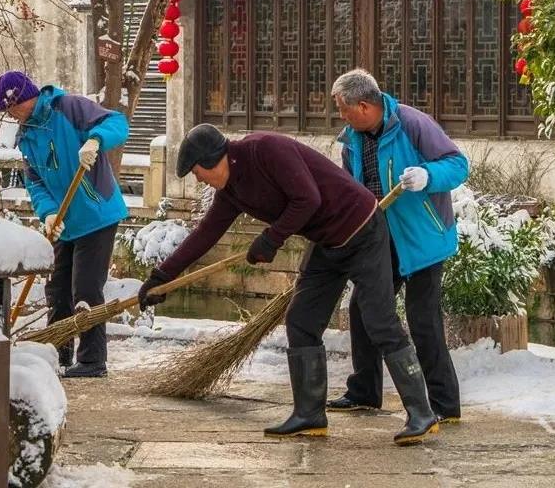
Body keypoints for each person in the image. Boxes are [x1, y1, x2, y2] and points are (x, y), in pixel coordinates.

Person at [138, 124, 439, 445]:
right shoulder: (231, 191)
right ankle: (309, 414)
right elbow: (205, 234)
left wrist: (271, 239)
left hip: (362, 227)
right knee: (301, 321)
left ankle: (421, 413)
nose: (198, 180)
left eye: (197, 173)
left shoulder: (265, 149)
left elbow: (307, 198)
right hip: (327, 241)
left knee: (379, 320)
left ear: (214, 159)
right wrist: (163, 277)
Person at [327, 68, 468, 424]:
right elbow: (349, 188)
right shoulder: (352, 140)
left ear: (363, 105)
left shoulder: (412, 123)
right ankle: (365, 391)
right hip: (379, 239)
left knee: (424, 321)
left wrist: (428, 176)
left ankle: (444, 405)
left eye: (344, 109)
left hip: (422, 239)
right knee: (362, 309)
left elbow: (457, 164)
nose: (341, 116)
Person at [0, 70, 129, 378]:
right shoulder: (26, 136)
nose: (12, 115)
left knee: (85, 288)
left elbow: (118, 123)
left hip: (97, 213)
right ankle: (57, 353)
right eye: (7, 111)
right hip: (65, 221)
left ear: (24, 98)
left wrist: (96, 140)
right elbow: (36, 182)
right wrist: (49, 213)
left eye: (11, 107)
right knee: (56, 290)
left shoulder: (68, 107)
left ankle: (93, 360)